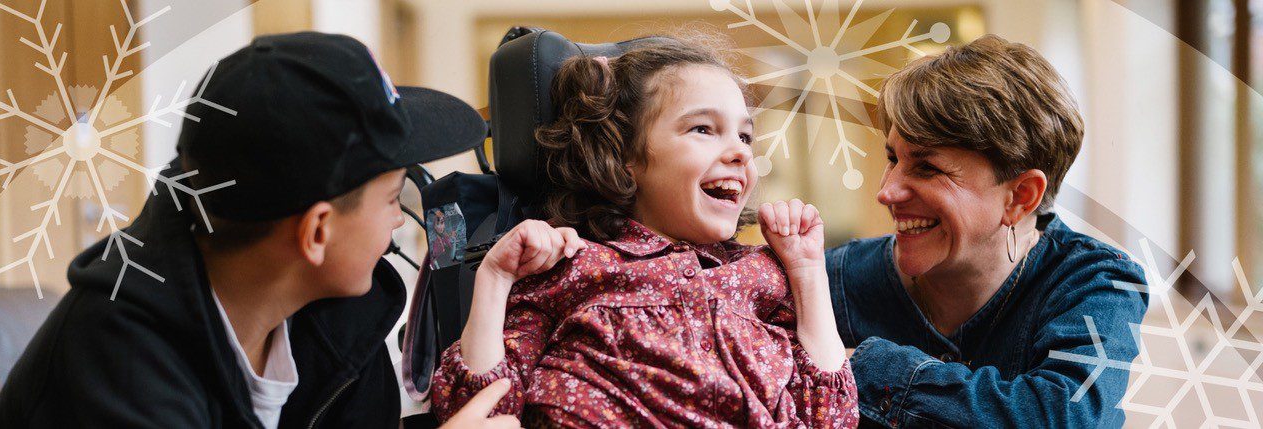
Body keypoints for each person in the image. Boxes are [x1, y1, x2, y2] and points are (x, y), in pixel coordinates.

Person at [0, 32, 488, 428]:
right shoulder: (120, 368)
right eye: (391, 197)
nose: (402, 218)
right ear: (316, 233)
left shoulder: (336, 312)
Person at [430, 37, 859, 427]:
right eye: (703, 129)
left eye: (745, 136)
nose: (739, 153)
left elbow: (832, 417)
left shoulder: (761, 274)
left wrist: (807, 270)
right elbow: (481, 411)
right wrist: (494, 278)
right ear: (624, 157)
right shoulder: (571, 266)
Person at [826, 34, 1148, 427]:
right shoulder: (831, 280)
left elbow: (1068, 418)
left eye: (928, 167)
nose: (886, 191)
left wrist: (863, 367)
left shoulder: (1097, 283)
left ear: (1021, 197)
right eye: (892, 158)